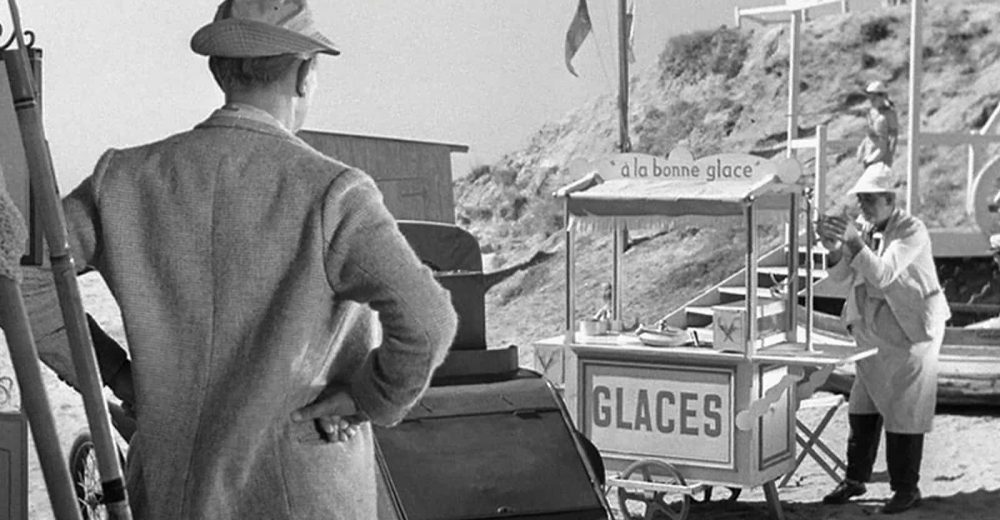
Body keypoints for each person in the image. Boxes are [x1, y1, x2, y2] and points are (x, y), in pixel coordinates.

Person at [24, 1, 457, 518]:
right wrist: (369, 398)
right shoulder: (334, 194)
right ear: (304, 75)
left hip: (167, 492)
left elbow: (25, 281)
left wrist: (119, 375)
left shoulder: (122, 180)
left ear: (218, 69)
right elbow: (428, 321)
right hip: (299, 498)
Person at [816, 163, 950, 514]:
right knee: (862, 403)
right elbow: (843, 277)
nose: (864, 206)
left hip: (911, 330)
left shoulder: (911, 229)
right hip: (874, 329)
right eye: (861, 199)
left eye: (871, 199)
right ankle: (855, 478)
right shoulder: (863, 228)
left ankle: (906, 489)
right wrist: (833, 248)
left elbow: (884, 275)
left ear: (890, 200)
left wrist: (852, 241)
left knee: (905, 409)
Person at [856, 80, 899, 168]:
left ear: (882, 97)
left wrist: (889, 156)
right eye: (870, 97)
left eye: (874, 98)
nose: (871, 100)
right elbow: (870, 135)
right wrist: (862, 149)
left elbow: (893, 137)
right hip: (869, 156)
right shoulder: (871, 113)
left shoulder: (890, 114)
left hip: (882, 159)